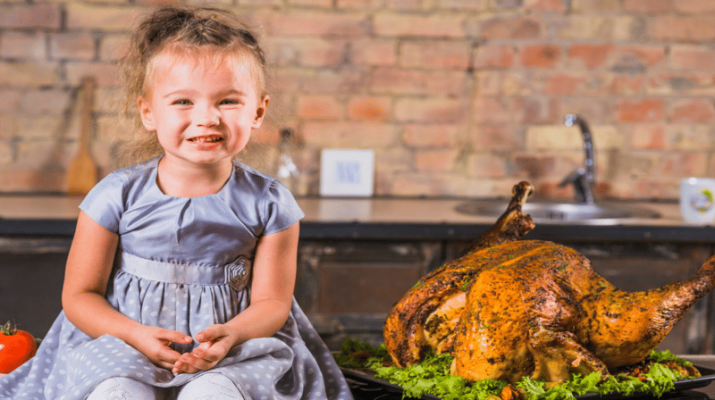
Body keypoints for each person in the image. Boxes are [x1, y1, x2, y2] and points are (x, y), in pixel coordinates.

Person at [0, 6, 353, 400]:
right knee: (114, 392)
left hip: (232, 351)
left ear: (258, 111)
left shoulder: (271, 203)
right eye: (183, 101)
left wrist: (232, 334)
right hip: (123, 343)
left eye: (228, 101)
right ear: (149, 112)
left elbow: (272, 302)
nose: (207, 118)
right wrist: (136, 335)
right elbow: (79, 297)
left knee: (215, 394)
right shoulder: (115, 195)